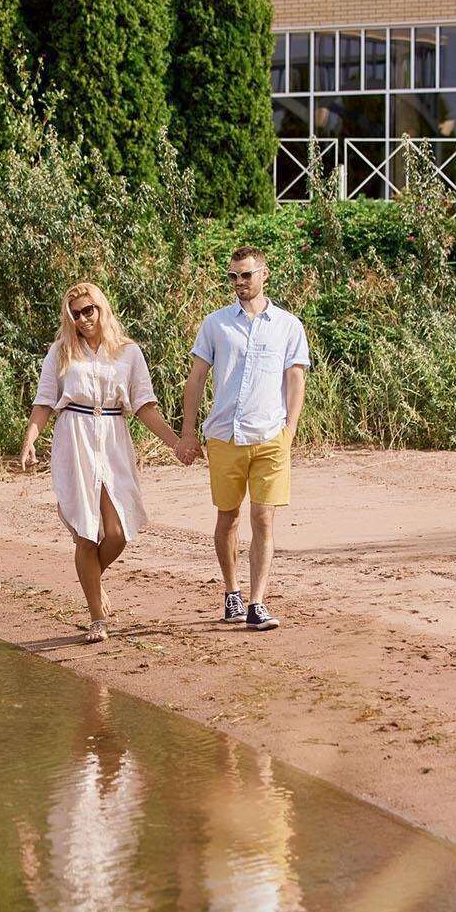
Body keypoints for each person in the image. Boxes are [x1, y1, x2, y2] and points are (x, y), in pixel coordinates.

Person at [19, 281, 181, 643]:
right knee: (85, 532)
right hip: (73, 437)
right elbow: (45, 400)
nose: (82, 319)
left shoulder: (128, 352)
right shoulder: (61, 351)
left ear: (102, 309)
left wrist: (175, 443)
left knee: (117, 531)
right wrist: (30, 439)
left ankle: (91, 579)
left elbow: (144, 405)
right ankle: (97, 618)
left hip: (112, 436)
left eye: (88, 310)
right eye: (75, 314)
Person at [175, 247, 310, 633]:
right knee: (228, 517)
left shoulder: (288, 325)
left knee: (263, 518)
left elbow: (296, 379)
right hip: (224, 435)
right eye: (233, 276)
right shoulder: (215, 324)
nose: (239, 283)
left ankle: (257, 602)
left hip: (270, 436)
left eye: (246, 275)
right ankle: (232, 592)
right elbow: (197, 378)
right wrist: (187, 432)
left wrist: (290, 431)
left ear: (264, 274)